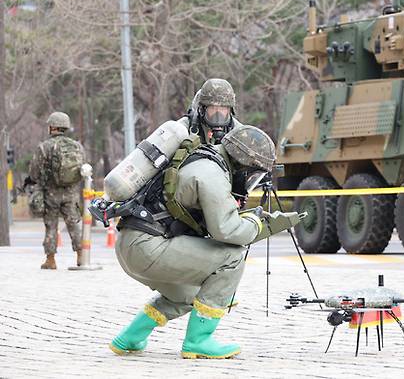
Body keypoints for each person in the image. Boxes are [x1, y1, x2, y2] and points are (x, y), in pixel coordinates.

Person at [109, 125, 293, 359]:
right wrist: (256, 223)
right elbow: (226, 230)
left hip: (130, 245)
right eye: (251, 175)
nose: (249, 182)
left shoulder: (201, 158)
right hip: (148, 246)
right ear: (241, 164)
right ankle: (199, 341)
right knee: (232, 257)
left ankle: (130, 338)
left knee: (188, 294)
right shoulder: (212, 174)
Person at [28, 111, 85, 270]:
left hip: (51, 193)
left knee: (51, 225)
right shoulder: (77, 146)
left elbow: (34, 172)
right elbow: (82, 168)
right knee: (74, 223)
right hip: (71, 193)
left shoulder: (44, 147)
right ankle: (81, 256)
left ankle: (51, 260)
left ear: (52, 127)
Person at [180, 78, 242, 144]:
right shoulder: (183, 128)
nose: (218, 114)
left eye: (223, 109)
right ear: (202, 109)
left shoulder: (239, 132)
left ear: (230, 110)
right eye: (213, 108)